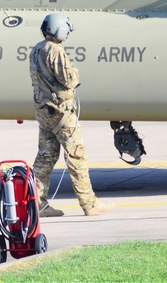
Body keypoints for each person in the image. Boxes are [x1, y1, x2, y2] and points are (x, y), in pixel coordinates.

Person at [29, 13, 111, 217]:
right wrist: (75, 72)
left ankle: (38, 204)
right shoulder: (55, 51)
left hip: (44, 111)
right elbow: (68, 80)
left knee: (45, 157)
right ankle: (89, 204)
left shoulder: (36, 49)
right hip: (61, 113)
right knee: (77, 156)